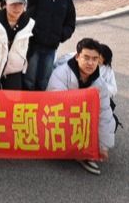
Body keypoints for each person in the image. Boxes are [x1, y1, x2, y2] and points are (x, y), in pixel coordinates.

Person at [47, 38, 116, 175]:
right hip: (61, 118)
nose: (90, 63)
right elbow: (55, 105)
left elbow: (104, 114)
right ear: (77, 56)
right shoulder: (61, 73)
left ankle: (84, 150)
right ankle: (71, 149)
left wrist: (103, 146)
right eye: (86, 57)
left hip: (80, 118)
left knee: (110, 117)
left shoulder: (100, 84)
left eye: (95, 59)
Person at [22, 0, 76, 91]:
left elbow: (70, 22)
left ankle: (41, 101)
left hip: (51, 46)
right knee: (29, 78)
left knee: (45, 79)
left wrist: (61, 35)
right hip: (33, 44)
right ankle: (28, 101)